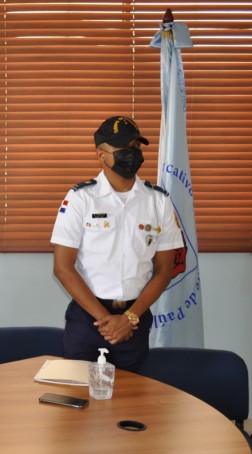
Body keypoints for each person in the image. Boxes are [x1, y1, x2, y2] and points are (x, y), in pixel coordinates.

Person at [50, 116, 183, 371]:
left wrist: (129, 319)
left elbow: (164, 270)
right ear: (101, 154)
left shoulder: (158, 201)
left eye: (136, 147)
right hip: (88, 318)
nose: (132, 153)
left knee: (130, 394)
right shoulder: (81, 198)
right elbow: (63, 268)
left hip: (135, 318)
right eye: (123, 147)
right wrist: (107, 321)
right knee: (79, 392)